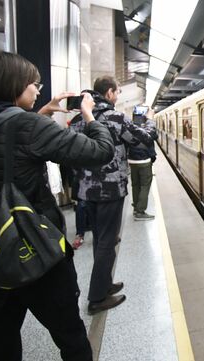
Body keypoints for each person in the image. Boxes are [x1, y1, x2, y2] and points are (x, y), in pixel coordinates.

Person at [0, 51, 115, 361]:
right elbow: (100, 151)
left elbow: (2, 143)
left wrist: (41, 116)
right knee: (71, 338)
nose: (38, 91)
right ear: (14, 85)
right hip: (37, 255)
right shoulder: (26, 126)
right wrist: (89, 114)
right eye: (35, 84)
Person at [70, 76, 154, 315]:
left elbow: (72, 155)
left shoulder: (78, 120)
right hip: (110, 190)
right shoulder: (116, 118)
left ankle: (105, 284)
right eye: (117, 92)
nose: (118, 96)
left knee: (99, 238)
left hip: (87, 192)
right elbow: (144, 139)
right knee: (107, 242)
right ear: (108, 94)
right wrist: (149, 122)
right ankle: (97, 298)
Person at [128, 106, 158, 220]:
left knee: (135, 185)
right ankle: (140, 211)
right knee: (145, 185)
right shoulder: (147, 127)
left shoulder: (129, 126)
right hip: (144, 160)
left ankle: (136, 207)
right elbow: (152, 136)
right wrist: (150, 120)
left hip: (132, 160)